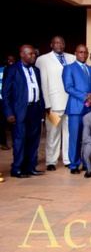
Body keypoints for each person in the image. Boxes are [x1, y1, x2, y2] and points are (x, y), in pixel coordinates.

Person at [2, 45, 46, 178]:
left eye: (34, 54)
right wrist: (9, 113)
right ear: (22, 54)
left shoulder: (36, 70)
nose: (34, 56)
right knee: (20, 140)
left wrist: (42, 110)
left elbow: (39, 90)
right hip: (20, 111)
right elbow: (6, 93)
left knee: (33, 140)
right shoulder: (12, 70)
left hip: (35, 109)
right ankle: (17, 168)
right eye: (30, 54)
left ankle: (30, 167)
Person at [36, 35, 76, 171]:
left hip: (70, 104)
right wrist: (46, 104)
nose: (59, 45)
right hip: (53, 105)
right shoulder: (43, 59)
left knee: (68, 133)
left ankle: (67, 159)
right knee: (53, 133)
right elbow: (43, 83)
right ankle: (51, 161)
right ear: (51, 45)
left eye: (62, 43)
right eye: (56, 43)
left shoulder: (72, 58)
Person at [62, 44, 91, 174]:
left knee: (87, 137)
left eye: (85, 52)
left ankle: (85, 162)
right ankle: (73, 164)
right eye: (80, 52)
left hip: (89, 110)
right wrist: (85, 98)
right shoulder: (69, 68)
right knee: (75, 137)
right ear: (75, 53)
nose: (83, 54)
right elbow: (68, 87)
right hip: (76, 108)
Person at [0, 55, 16, 152]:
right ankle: (3, 143)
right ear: (5, 60)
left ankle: (15, 142)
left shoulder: (16, 70)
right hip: (1, 100)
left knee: (13, 123)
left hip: (12, 101)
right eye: (9, 59)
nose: (11, 61)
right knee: (1, 123)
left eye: (13, 59)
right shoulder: (1, 70)